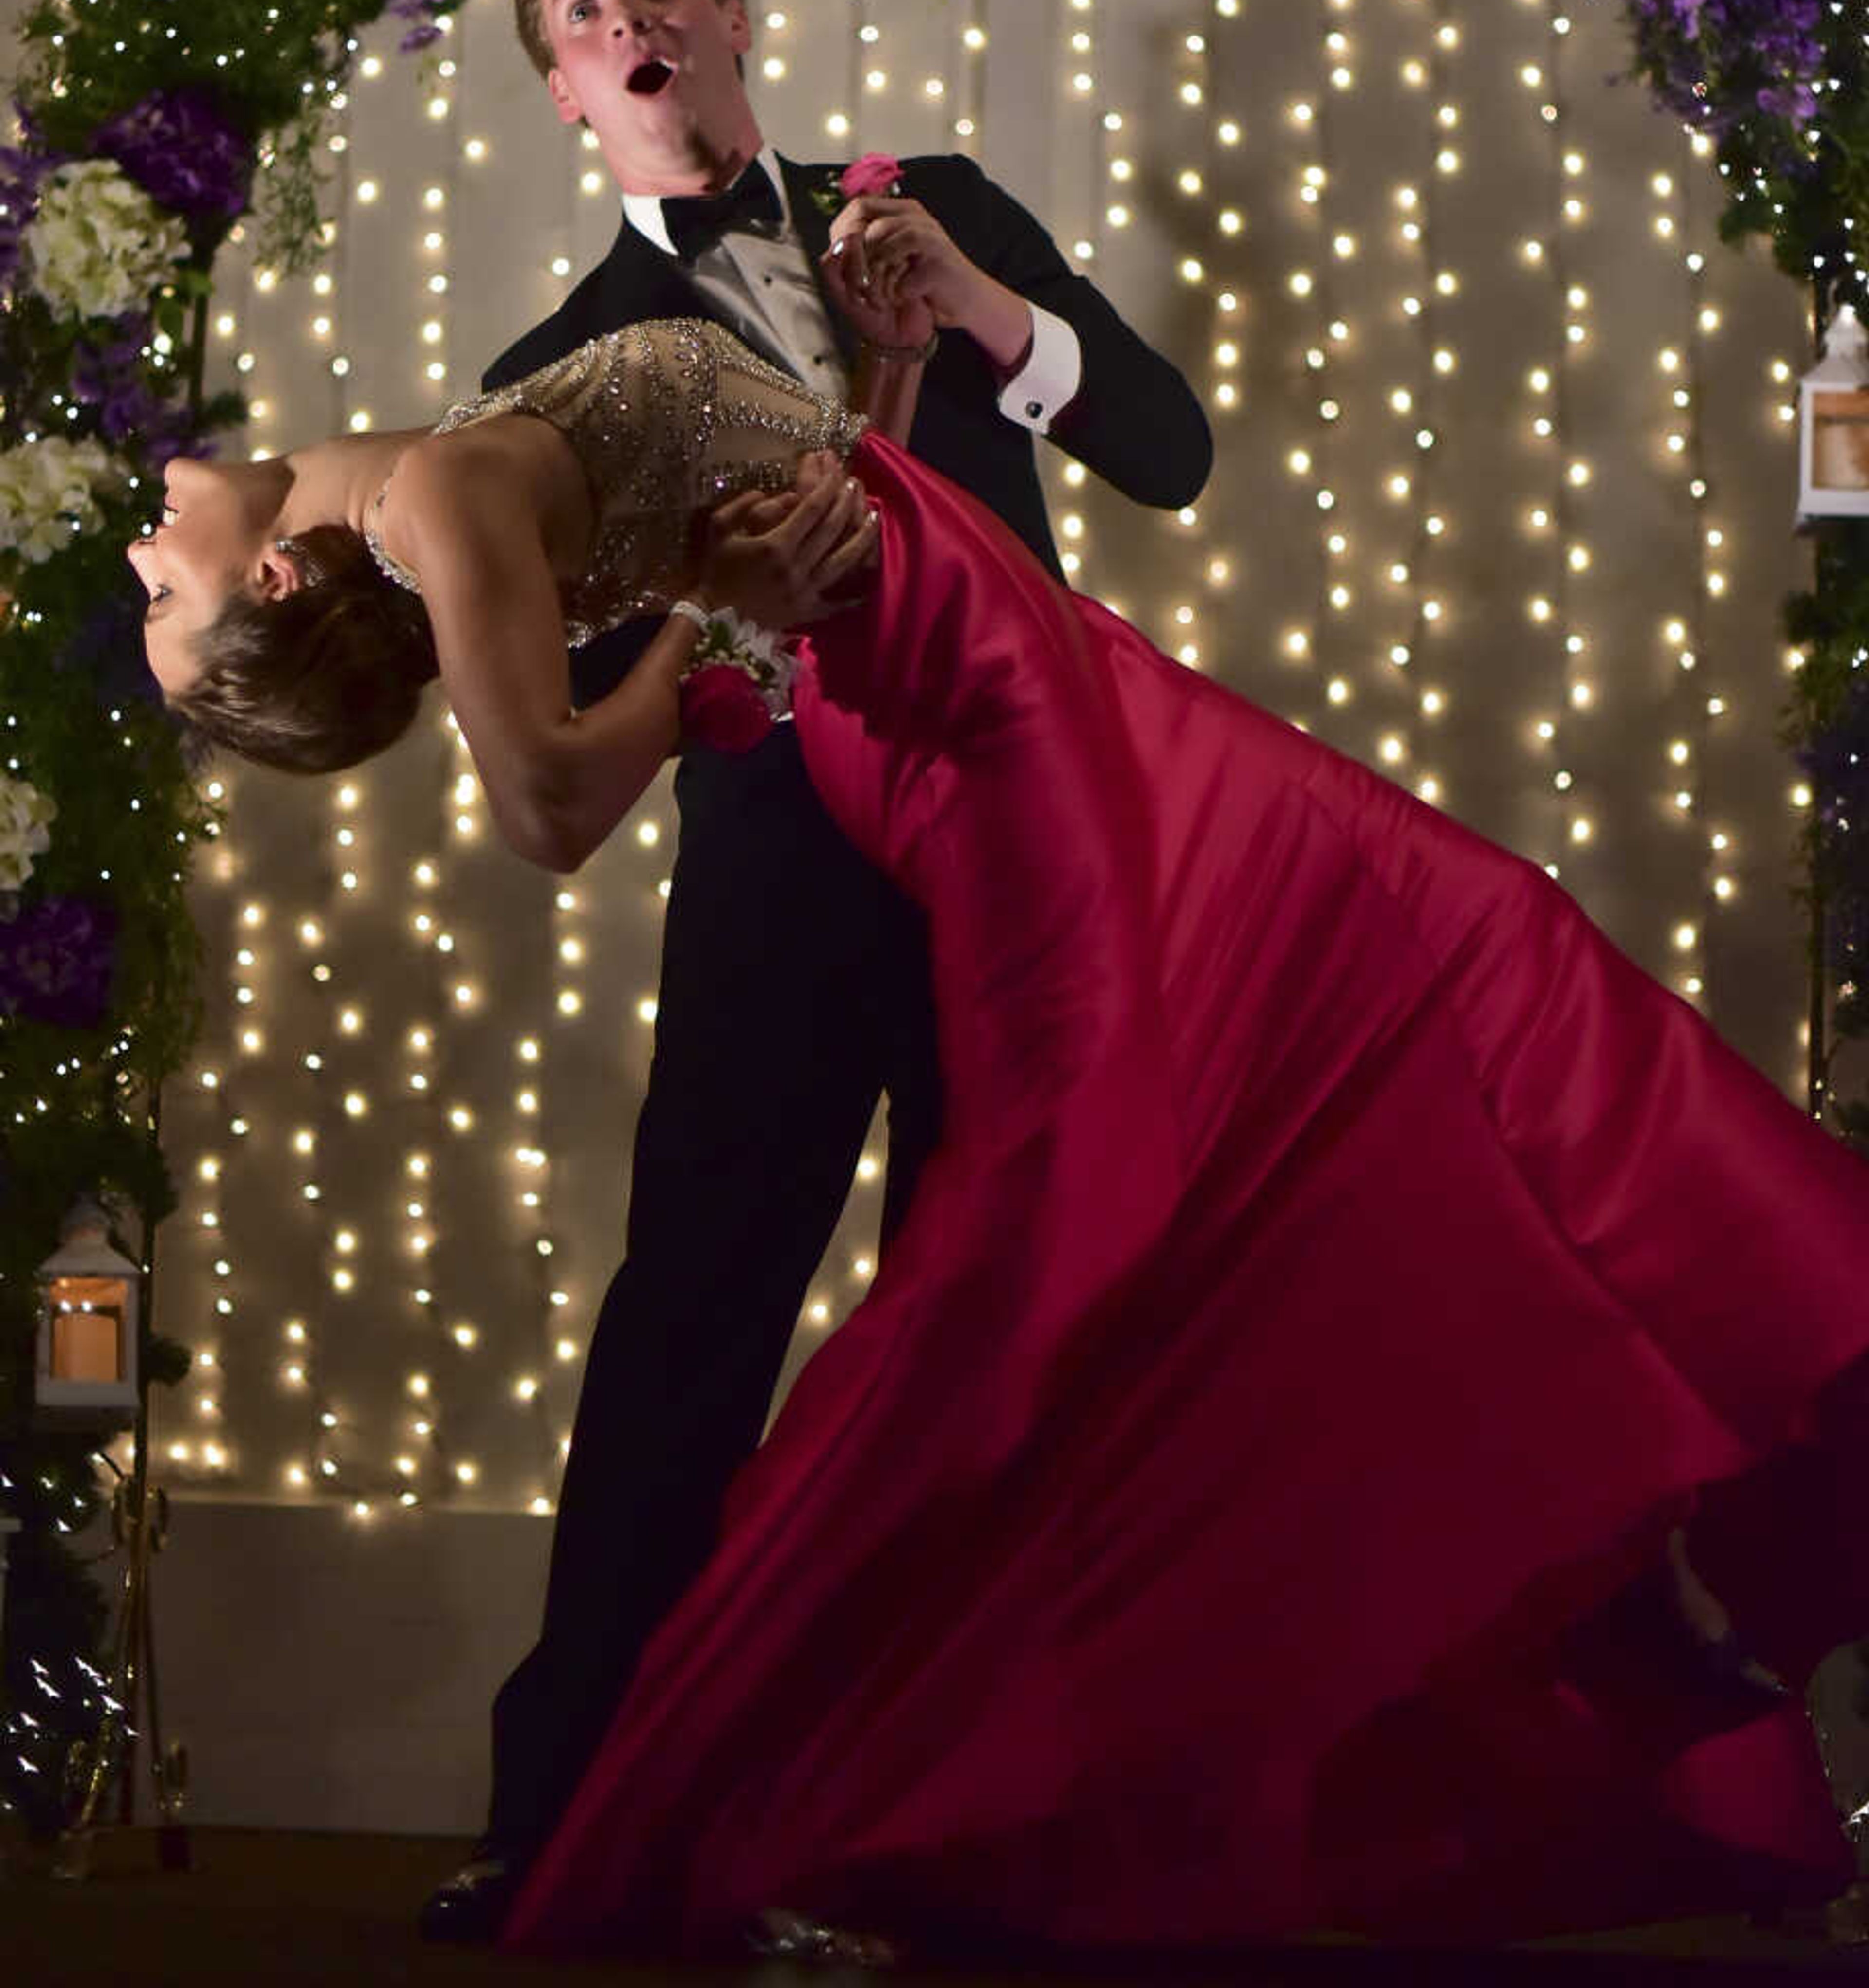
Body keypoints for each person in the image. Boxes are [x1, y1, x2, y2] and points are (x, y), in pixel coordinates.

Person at [137, 309, 1869, 1958]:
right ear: (277, 579)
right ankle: (848, 1793)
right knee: (1119, 1183)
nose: (144, 550)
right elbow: (551, 803)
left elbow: (774, 493)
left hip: (983, 634)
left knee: (1402, 952)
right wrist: (723, 615)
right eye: (165, 600)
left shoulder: (396, 479)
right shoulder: (432, 498)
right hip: (962, 702)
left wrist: (877, 393)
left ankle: (1606, 1558)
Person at [415, 0, 1213, 1941]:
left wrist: (973, 307)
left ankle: (974, 1817)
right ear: (570, 96)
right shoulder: (557, 367)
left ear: (736, 18)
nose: (622, 12)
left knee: (1015, 1313)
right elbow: (586, 704)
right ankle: (564, 1807)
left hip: (1022, 840)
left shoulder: (925, 199)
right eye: (578, 6)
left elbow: (1168, 447)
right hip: (780, 868)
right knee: (691, 1314)